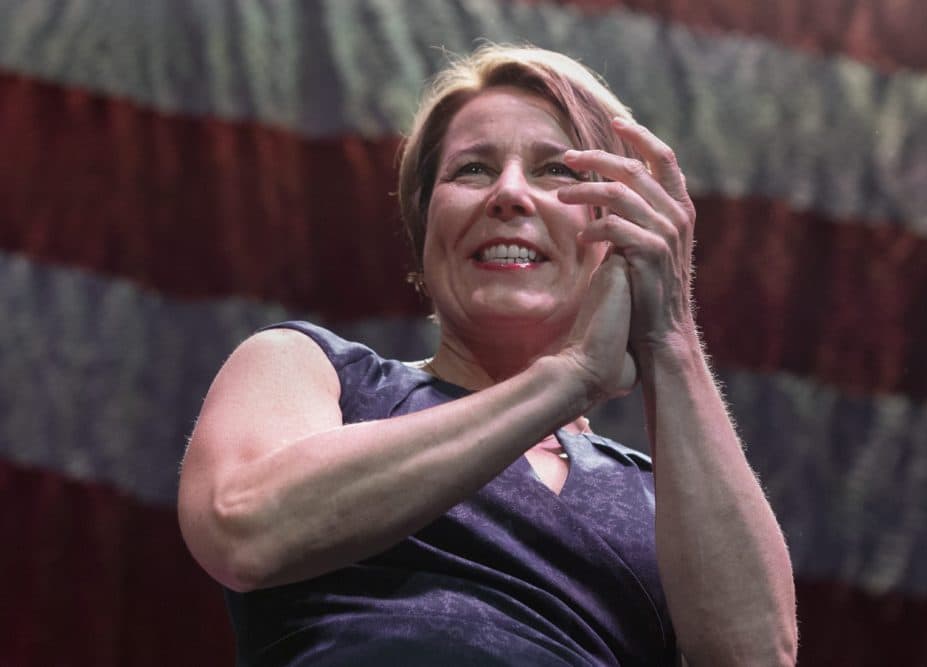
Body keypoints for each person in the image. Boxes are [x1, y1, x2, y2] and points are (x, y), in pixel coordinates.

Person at [177, 44, 797, 666]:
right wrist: (571, 378)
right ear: (426, 228)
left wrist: (670, 332)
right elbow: (243, 528)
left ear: (621, 232)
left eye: (557, 170)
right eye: (472, 169)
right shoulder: (316, 373)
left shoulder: (662, 496)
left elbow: (755, 659)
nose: (509, 194)